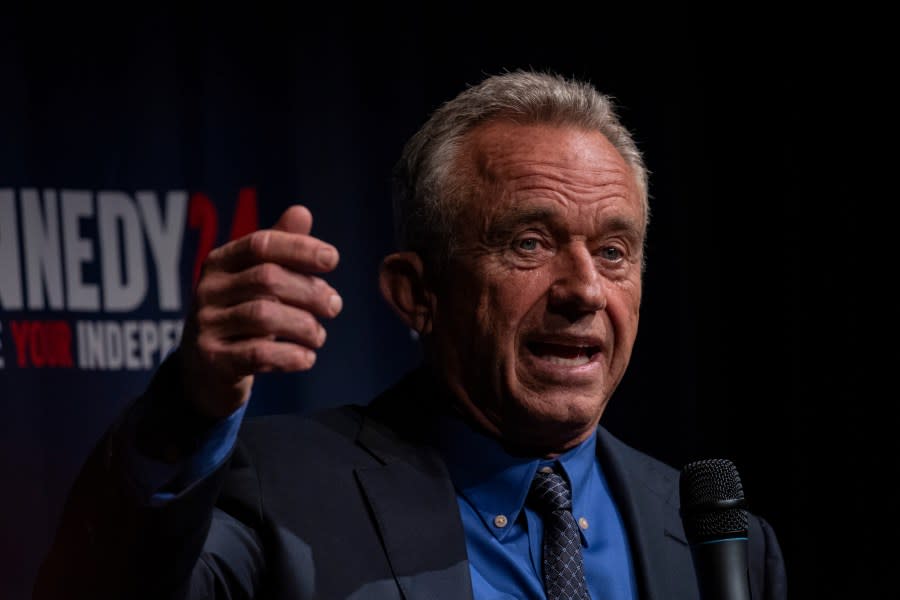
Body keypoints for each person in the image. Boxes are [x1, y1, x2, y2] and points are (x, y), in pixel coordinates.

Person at [34, 70, 787, 599]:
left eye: (615, 251)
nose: (585, 289)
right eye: (528, 243)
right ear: (416, 293)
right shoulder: (279, 493)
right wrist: (186, 409)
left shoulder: (719, 538)